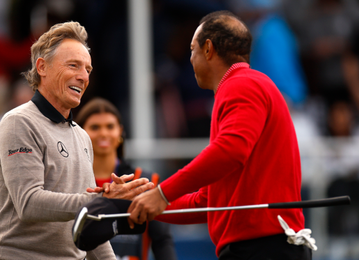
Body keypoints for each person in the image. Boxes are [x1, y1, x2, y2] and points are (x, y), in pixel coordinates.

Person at [127, 10, 312, 259]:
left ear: (208, 49)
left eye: (192, 49)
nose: (190, 58)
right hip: (262, 247)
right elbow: (209, 202)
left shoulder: (241, 83)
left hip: (262, 248)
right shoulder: (245, 84)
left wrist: (162, 193)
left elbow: (230, 150)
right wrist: (146, 202)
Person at [0, 21, 153, 260]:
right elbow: (29, 203)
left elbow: (88, 224)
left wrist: (102, 206)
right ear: (42, 67)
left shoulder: (82, 136)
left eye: (88, 70)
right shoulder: (18, 122)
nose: (83, 77)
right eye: (73, 65)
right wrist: (104, 200)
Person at [76, 97, 178, 260]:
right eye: (95, 127)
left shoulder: (144, 181)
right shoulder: (70, 181)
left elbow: (162, 240)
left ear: (120, 132)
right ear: (81, 133)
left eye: (110, 126)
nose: (103, 133)